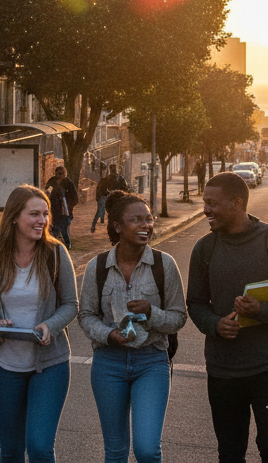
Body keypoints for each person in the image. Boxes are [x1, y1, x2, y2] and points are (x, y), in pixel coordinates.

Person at [186, 172, 268, 463]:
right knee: (230, 454)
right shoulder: (204, 249)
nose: (206, 210)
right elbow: (195, 303)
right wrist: (215, 324)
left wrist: (262, 311)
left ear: (237, 203)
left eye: (213, 203)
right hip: (222, 371)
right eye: (205, 202)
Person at [77, 190, 187, 463]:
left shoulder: (164, 265)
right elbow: (86, 315)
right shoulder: (97, 266)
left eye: (148, 219)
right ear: (118, 226)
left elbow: (179, 317)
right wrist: (109, 334)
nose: (146, 225)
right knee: (115, 452)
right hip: (108, 363)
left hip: (152, 361)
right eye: (136, 219)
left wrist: (152, 313)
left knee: (147, 450)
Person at [0, 184, 77, 463]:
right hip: (5, 366)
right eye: (34, 214)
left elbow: (71, 305)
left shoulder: (56, 254)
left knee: (40, 447)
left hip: (50, 363)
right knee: (10, 449)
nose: (42, 220)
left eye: (45, 214)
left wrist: (50, 326)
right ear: (14, 218)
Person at [44, 166, 77, 249]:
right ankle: (53, 246)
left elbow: (75, 198)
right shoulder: (52, 181)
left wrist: (68, 206)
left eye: (61, 174)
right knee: (53, 229)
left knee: (64, 229)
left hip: (65, 211)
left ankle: (67, 245)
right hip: (54, 210)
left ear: (64, 174)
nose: (59, 176)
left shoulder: (68, 182)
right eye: (57, 174)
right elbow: (47, 191)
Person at [91, 166, 109, 234]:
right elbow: (99, 190)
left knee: (102, 211)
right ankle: (94, 226)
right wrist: (98, 197)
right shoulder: (102, 181)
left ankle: (101, 222)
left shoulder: (105, 180)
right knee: (99, 212)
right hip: (102, 197)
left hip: (104, 197)